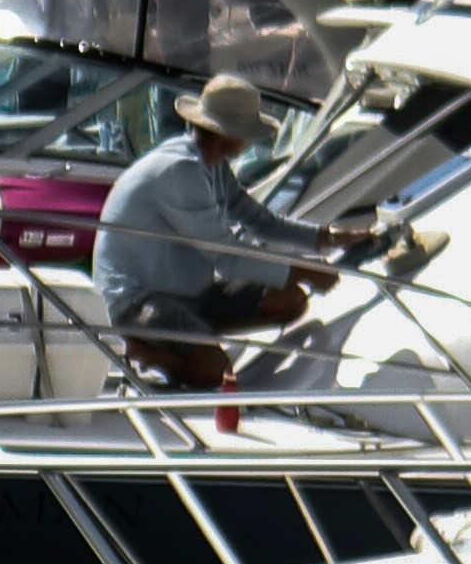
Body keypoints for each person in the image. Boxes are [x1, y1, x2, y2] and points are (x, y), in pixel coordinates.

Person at [88, 70, 319, 374]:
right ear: (228, 135)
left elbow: (260, 221)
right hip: (138, 301)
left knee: (291, 300)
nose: (251, 140)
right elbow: (226, 258)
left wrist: (327, 238)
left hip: (191, 293)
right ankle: (144, 349)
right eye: (249, 132)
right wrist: (304, 270)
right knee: (213, 372)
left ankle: (194, 339)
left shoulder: (213, 166)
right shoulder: (179, 170)